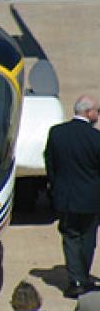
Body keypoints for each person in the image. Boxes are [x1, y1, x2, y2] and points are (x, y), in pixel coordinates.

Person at [44, 95, 100, 298]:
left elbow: (50, 162)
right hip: (91, 200)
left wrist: (55, 186)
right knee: (87, 239)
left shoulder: (57, 133)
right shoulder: (96, 138)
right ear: (88, 112)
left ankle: (76, 279)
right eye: (97, 111)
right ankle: (81, 278)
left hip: (65, 197)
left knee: (70, 237)